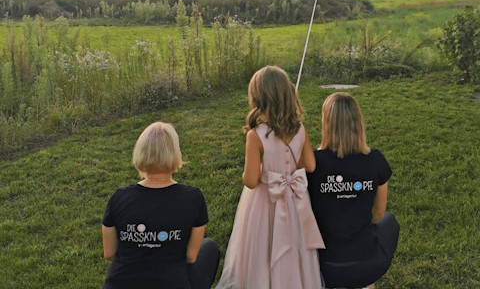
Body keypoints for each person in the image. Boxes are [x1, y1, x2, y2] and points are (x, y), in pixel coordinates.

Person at [216, 65, 325, 289]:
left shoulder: (256, 135)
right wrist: (289, 168)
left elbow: (250, 180)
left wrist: (263, 169)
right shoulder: (299, 128)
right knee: (294, 246)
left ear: (258, 97)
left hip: (265, 201)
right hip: (295, 198)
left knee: (263, 247)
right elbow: (311, 165)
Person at [102, 121, 220, 289]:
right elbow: (190, 257)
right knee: (209, 247)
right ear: (174, 155)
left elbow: (109, 253)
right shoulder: (193, 198)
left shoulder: (119, 198)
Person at [307, 92, 400, 289]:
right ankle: (363, 284)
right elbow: (378, 214)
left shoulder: (313, 164)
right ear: (358, 121)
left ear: (326, 123)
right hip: (367, 265)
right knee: (388, 220)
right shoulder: (375, 160)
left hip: (323, 267)